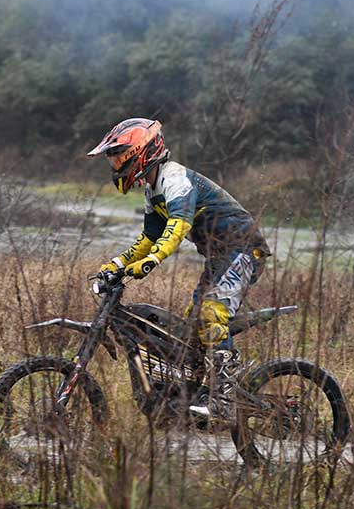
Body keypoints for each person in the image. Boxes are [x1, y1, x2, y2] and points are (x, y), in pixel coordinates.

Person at [88, 117, 270, 376]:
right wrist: (118, 264)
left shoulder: (175, 179)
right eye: (113, 160)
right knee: (193, 324)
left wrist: (152, 260)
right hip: (221, 256)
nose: (116, 165)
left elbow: (178, 226)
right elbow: (149, 237)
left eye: (119, 158)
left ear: (140, 153)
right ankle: (198, 386)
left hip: (243, 250)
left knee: (210, 315)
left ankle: (227, 386)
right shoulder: (153, 190)